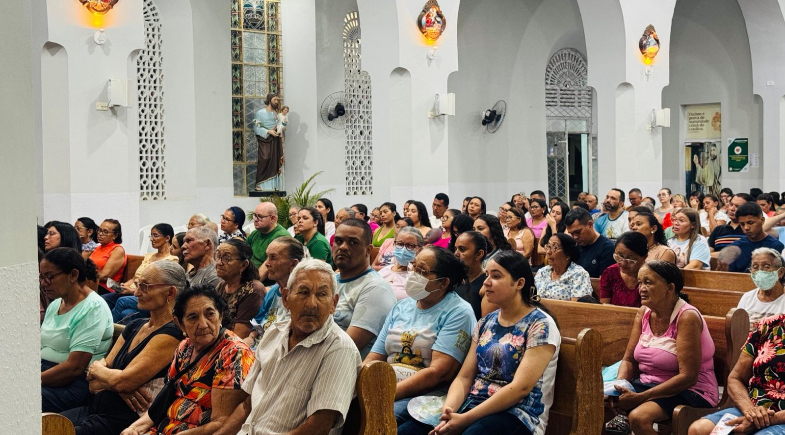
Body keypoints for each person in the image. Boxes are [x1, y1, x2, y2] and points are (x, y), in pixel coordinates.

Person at [398, 250, 560, 435]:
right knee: (407, 431)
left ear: (519, 283)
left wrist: (465, 419)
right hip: (472, 404)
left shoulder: (540, 324)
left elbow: (520, 388)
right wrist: (448, 412)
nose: (486, 282)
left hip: (517, 413)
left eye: (496, 276)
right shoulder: (486, 322)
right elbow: (464, 377)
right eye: (487, 274)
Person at [221, 260, 362, 435]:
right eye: (303, 292)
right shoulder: (274, 333)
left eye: (321, 295)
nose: (312, 304)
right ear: (286, 298)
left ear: (333, 303)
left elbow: (317, 428)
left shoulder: (339, 349)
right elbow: (247, 405)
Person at [62, 262, 185, 435]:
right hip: (93, 409)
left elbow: (123, 381)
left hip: (122, 421)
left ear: (170, 292)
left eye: (145, 286)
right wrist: (115, 384)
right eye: (137, 285)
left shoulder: (172, 333)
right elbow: (93, 383)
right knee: (38, 424)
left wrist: (101, 371)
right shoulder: (135, 325)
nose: (136, 293)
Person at [119, 285, 255, 435]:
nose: (203, 324)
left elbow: (221, 423)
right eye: (193, 317)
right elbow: (164, 401)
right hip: (162, 428)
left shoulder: (234, 353)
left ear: (220, 315)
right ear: (179, 323)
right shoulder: (185, 347)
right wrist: (134, 428)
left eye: (210, 314)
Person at [606, 261, 718, 435]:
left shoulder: (687, 317)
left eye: (648, 282)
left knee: (638, 417)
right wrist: (619, 388)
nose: (641, 288)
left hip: (691, 390)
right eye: (640, 282)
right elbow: (628, 360)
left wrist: (640, 397)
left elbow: (688, 377)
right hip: (648, 385)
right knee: (599, 403)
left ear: (670, 288)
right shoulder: (644, 312)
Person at [367, 246, 476, 425]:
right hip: (385, 384)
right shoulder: (402, 306)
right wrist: (362, 386)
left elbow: (438, 373)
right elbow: (375, 356)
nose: (413, 274)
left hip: (426, 395)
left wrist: (385, 394)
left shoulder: (458, 312)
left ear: (443, 283)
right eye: (413, 267)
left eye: (422, 271)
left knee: (382, 416)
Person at [688, 309, 785, 434]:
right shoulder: (768, 326)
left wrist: (765, 420)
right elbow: (735, 378)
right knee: (699, 429)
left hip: (781, 417)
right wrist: (750, 411)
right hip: (752, 408)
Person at [40, 248, 113, 413]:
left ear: (73, 275)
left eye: (49, 276)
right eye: (41, 277)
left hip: (72, 384)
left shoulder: (93, 308)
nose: (44, 283)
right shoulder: (56, 304)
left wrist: (30, 381)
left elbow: (75, 367)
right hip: (46, 373)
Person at [332, 219, 397, 358]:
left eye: (353, 242)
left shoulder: (376, 289)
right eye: (338, 241)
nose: (343, 247)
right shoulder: (330, 281)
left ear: (368, 250)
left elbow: (347, 347)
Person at [111, 224, 179, 323]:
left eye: (155, 235)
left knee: (121, 302)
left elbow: (158, 286)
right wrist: (124, 286)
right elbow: (134, 278)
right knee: (125, 312)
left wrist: (131, 291)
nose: (151, 239)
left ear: (167, 238)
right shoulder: (149, 256)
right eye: (151, 236)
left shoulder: (171, 260)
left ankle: (111, 330)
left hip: (146, 294)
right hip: (132, 291)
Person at [248, 237, 304, 344]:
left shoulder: (302, 297)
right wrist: (251, 336)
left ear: (293, 264)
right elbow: (258, 321)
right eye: (267, 257)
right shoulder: (273, 291)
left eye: (273, 258)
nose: (267, 263)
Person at [214, 239, 264, 339]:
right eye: (218, 256)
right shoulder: (221, 286)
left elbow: (239, 336)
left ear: (243, 265)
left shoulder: (252, 290)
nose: (219, 262)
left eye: (227, 258)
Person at [720, 202, 784, 273]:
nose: (746, 228)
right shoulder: (735, 246)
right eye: (742, 224)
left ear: (762, 220)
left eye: (750, 223)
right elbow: (729, 275)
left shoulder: (776, 246)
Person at [733, 247, 785, 331]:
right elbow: (738, 329)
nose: (760, 271)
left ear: (781, 272)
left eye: (766, 266)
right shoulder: (747, 298)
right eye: (755, 267)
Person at [535, 233, 593, 301]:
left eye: (555, 247)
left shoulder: (579, 274)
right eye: (548, 246)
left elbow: (577, 305)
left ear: (568, 254)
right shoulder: (542, 272)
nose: (548, 252)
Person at [564, 208, 616, 278]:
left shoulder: (607, 248)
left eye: (578, 232)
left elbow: (604, 282)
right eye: (572, 234)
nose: (575, 237)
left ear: (590, 224)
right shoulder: (573, 246)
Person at [599, 232, 647, 307]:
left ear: (644, 257)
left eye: (630, 259)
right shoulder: (610, 273)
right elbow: (604, 307)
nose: (623, 263)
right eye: (619, 256)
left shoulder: (651, 277)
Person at [245, 202, 290, 279]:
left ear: (273, 219)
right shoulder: (255, 233)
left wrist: (251, 284)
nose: (255, 220)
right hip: (249, 275)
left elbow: (266, 268)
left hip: (266, 282)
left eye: (260, 217)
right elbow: (242, 254)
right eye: (255, 216)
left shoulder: (281, 237)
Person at [454, 231, 493, 319]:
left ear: (479, 254)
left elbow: (485, 324)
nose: (456, 253)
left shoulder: (487, 285)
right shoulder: (454, 280)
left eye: (462, 249)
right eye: (455, 249)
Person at [379, 227, 424, 300]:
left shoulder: (418, 278)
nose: (403, 249)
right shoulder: (384, 271)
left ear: (420, 250)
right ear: (394, 244)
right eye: (400, 244)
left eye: (410, 245)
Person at [252, 93, 283, 191]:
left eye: (277, 100)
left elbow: (280, 125)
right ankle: (260, 184)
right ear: (269, 100)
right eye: (275, 100)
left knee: (275, 160)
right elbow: (256, 127)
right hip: (265, 139)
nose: (276, 102)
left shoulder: (277, 114)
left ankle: (274, 185)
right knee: (265, 158)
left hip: (275, 140)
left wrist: (281, 128)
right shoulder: (260, 113)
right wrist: (268, 131)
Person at [90, 219, 127, 295]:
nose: (100, 234)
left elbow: (105, 276)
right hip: (93, 284)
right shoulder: (98, 248)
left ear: (115, 235)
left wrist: (85, 277)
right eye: (99, 230)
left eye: (105, 232)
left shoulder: (117, 250)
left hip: (106, 288)